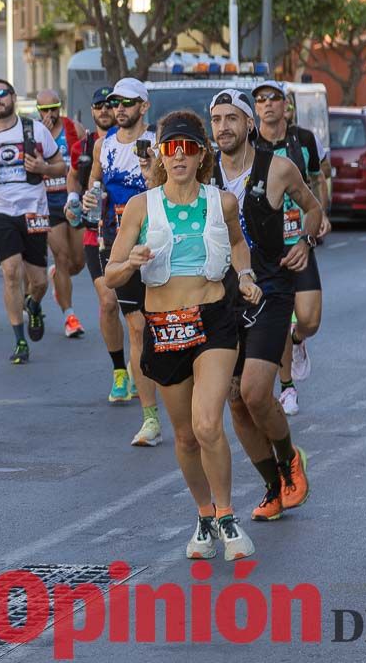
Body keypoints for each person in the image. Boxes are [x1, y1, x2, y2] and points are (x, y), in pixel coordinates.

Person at [106, 110, 261, 560]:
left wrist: (245, 275)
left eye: (187, 147)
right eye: (169, 148)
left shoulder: (222, 202)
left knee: (208, 423)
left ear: (200, 155)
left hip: (213, 319)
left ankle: (229, 517)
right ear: (160, 155)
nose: (178, 156)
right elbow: (112, 275)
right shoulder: (142, 206)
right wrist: (132, 261)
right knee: (185, 437)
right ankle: (204, 514)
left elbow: (236, 243)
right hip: (164, 327)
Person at [210, 88, 318, 522]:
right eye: (216, 120)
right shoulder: (203, 175)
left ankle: (291, 458)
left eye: (231, 118)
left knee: (256, 393)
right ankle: (272, 487)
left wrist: (306, 242)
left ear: (248, 123)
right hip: (222, 296)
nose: (223, 128)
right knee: (235, 400)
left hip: (272, 291)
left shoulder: (278, 169)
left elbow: (312, 207)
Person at [0, 78, 66, 364]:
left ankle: (33, 304)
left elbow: (61, 165)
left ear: (13, 97)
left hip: (34, 210)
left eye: (2, 94)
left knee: (39, 281)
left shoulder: (35, 131)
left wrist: (44, 167)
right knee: (11, 272)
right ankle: (20, 339)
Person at [82, 77, 161, 445]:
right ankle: (150, 418)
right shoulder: (104, 145)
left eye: (128, 103)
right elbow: (95, 184)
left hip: (161, 245)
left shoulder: (159, 143)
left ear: (143, 107)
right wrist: (85, 201)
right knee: (137, 327)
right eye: (115, 103)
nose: (119, 110)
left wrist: (153, 168)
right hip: (118, 244)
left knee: (165, 324)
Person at [251, 81, 329, 416]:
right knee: (279, 316)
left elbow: (318, 179)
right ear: (255, 109)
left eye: (274, 98)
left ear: (287, 106)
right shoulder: (249, 146)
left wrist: (321, 215)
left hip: (301, 241)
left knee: (309, 318)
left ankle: (298, 343)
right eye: (260, 100)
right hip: (267, 246)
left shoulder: (304, 140)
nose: (267, 104)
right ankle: (287, 388)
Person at [66, 87, 131, 400]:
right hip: (98, 234)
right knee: (108, 303)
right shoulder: (88, 145)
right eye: (100, 106)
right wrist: (73, 201)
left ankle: (140, 367)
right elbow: (73, 177)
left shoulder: (135, 141)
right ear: (92, 111)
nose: (106, 110)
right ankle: (119, 370)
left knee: (140, 314)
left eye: (111, 104)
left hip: (134, 234)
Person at [36, 89, 86, 338]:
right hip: (46, 202)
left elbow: (85, 161)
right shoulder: (33, 134)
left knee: (79, 261)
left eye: (53, 108)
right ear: (37, 111)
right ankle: (70, 317)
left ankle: (57, 276)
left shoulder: (74, 128)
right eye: (44, 110)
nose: (49, 114)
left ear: (60, 107)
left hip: (72, 199)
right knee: (62, 256)